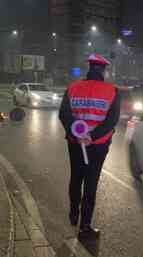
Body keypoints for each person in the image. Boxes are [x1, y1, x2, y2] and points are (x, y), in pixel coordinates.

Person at [59, 53, 120, 238]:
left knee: (76, 178)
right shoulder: (113, 91)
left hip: (75, 143)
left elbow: (64, 115)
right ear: (103, 70)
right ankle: (85, 226)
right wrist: (91, 137)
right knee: (91, 183)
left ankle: (73, 214)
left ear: (89, 68)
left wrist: (76, 134)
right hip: (98, 145)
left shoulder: (72, 88)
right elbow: (111, 121)